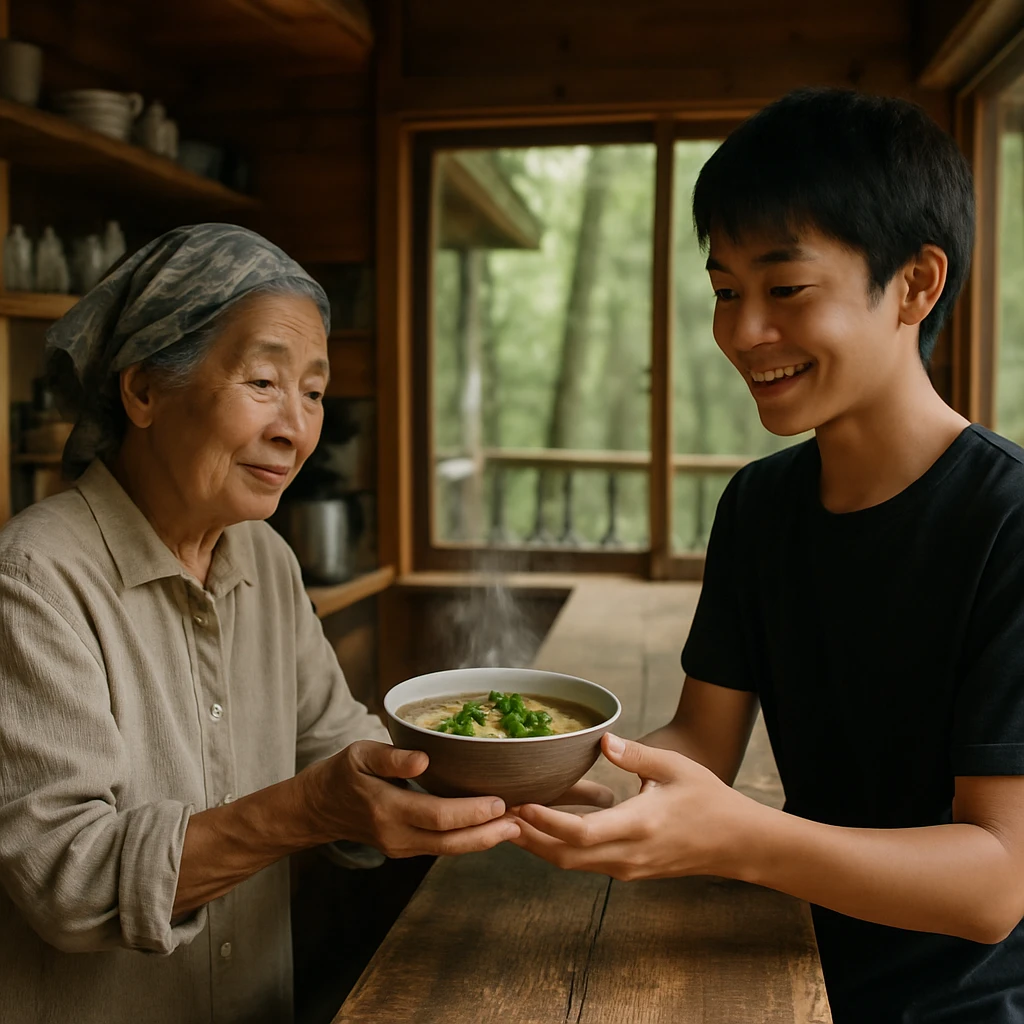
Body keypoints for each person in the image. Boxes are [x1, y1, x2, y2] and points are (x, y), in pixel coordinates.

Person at [511, 89, 1024, 1022]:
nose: (743, 332)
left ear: (915, 285)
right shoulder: (759, 505)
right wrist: (543, 775)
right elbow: (702, 745)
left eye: (785, 289)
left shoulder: (1010, 521)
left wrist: (740, 838)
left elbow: (994, 885)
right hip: (785, 957)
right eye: (724, 290)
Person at [0, 224, 522, 1024]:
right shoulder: (34, 577)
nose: (297, 428)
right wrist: (311, 809)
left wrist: (505, 770)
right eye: (262, 382)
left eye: (312, 392)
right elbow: (68, 880)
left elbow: (335, 748)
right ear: (142, 390)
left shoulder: (265, 561)